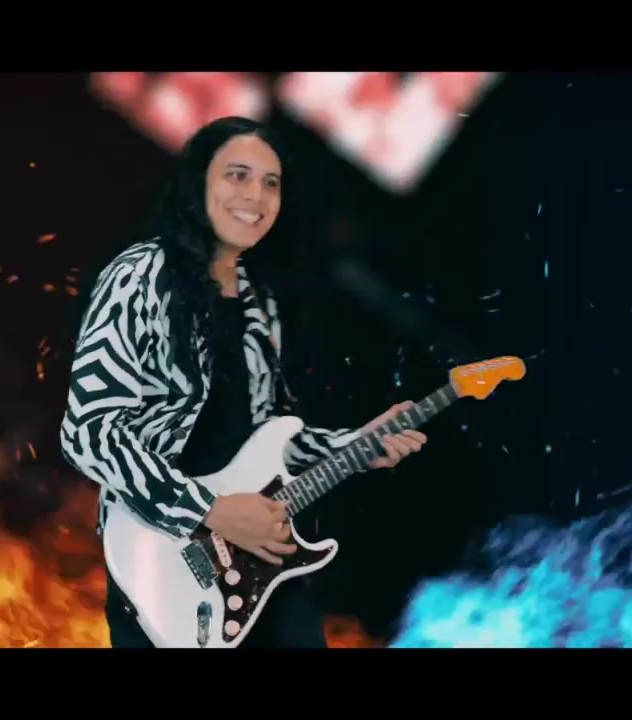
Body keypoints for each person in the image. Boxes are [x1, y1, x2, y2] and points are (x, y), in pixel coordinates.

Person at [59, 116, 428, 648]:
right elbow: (88, 433)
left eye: (270, 182)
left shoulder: (261, 303)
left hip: (259, 566)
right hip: (165, 568)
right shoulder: (141, 275)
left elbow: (268, 437)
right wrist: (210, 511)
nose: (256, 194)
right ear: (198, 183)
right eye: (238, 175)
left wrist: (357, 444)